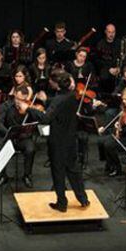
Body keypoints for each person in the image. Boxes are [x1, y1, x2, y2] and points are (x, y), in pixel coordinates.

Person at [26, 70, 90, 212]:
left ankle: (62, 203)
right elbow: (59, 104)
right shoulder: (71, 95)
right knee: (73, 170)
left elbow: (45, 119)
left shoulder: (58, 99)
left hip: (58, 140)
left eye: (51, 81)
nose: (49, 82)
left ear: (57, 83)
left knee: (58, 171)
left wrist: (30, 109)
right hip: (70, 138)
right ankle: (83, 199)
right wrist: (46, 100)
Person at [0, 85, 39, 188]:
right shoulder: (5, 106)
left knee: (31, 149)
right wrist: (8, 132)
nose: (19, 102)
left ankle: (27, 175)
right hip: (8, 136)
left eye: (23, 100)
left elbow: (36, 123)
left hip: (23, 137)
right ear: (15, 95)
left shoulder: (29, 108)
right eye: (18, 99)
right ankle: (3, 176)